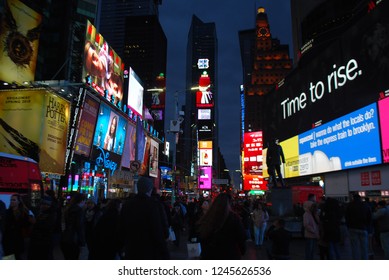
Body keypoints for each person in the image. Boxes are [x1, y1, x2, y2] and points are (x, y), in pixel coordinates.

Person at [120, 176, 170, 259]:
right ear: (150, 189)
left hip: (131, 250)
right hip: (150, 250)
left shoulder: (127, 205)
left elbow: (121, 229)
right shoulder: (155, 205)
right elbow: (160, 231)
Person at [197, 193, 246, 259]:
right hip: (230, 255)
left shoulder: (209, 216)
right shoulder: (234, 218)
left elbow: (202, 236)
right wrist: (242, 250)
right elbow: (241, 238)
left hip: (210, 255)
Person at [2, 194, 35, 259]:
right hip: (8, 240)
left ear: (18, 201)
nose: (12, 201)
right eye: (11, 200)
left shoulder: (23, 212)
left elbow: (29, 223)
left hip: (18, 240)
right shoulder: (7, 212)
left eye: (14, 200)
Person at [28, 195, 57, 259]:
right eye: (42, 204)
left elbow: (47, 226)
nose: (43, 206)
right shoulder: (40, 211)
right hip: (36, 241)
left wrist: (35, 222)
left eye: (45, 204)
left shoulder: (52, 214)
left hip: (44, 242)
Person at [345, 193, 372, 260]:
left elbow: (347, 217)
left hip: (352, 228)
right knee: (364, 247)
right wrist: (367, 226)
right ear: (360, 198)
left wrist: (348, 226)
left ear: (353, 198)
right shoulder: (365, 205)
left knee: (354, 247)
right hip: (363, 228)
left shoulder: (349, 205)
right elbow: (370, 217)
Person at [60, 192, 86, 260]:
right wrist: (82, 243)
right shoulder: (79, 211)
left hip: (65, 238)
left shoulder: (68, 209)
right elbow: (79, 227)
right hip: (74, 240)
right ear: (82, 201)